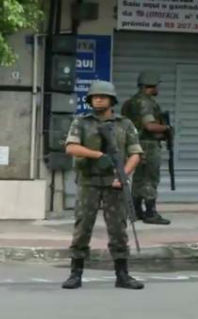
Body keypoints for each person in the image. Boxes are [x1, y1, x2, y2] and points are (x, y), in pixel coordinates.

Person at [61, 80, 145, 290]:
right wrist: (97, 155)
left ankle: (122, 274)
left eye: (103, 96)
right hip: (89, 182)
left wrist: (123, 175)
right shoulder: (81, 121)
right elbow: (71, 147)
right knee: (82, 228)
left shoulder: (125, 124)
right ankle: (75, 273)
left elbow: (135, 153)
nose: (98, 99)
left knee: (118, 229)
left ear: (111, 100)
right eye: (94, 96)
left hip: (114, 183)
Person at [121, 71, 172, 225]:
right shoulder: (145, 102)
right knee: (150, 178)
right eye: (156, 85)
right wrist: (166, 128)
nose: (158, 88)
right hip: (148, 144)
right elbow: (149, 126)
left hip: (135, 144)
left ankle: (136, 211)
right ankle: (150, 212)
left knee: (139, 178)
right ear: (150, 85)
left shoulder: (131, 102)